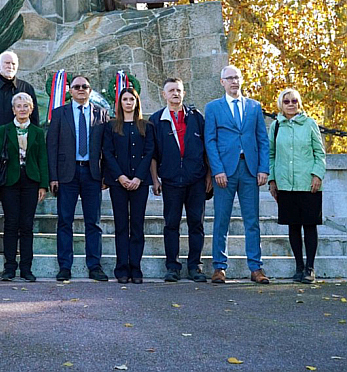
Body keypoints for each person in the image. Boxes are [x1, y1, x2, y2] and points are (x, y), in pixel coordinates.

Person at [204, 65, 270, 284]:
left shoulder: (254, 106)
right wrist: (217, 170)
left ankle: (256, 268)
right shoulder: (213, 107)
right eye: (229, 78)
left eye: (237, 77)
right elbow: (210, 141)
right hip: (225, 172)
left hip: (249, 170)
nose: (234, 81)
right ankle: (219, 267)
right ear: (222, 82)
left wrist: (263, 168)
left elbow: (262, 139)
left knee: (252, 221)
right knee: (221, 220)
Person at [0, 51, 39, 254]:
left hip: (20, 155)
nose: (10, 66)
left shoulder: (26, 88)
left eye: (13, 63)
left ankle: (16, 244)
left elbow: (35, 122)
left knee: (17, 204)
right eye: (6, 63)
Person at [46, 74, 109, 282]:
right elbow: (51, 146)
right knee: (65, 221)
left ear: (90, 90)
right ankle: (65, 266)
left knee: (94, 222)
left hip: (92, 173)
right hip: (67, 174)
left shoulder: (101, 113)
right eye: (77, 86)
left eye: (85, 86)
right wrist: (53, 176)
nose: (81, 89)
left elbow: (106, 148)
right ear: (70, 90)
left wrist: (105, 175)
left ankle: (95, 266)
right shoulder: (59, 113)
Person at [150, 77, 212, 283]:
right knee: (171, 224)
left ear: (183, 93)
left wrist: (209, 175)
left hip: (196, 180)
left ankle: (195, 266)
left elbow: (207, 149)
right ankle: (172, 267)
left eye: (178, 90)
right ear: (164, 94)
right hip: (170, 180)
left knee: (196, 224)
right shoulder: (156, 120)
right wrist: (155, 179)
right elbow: (152, 154)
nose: (175, 94)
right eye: (171, 90)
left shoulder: (196, 117)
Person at [0, 92, 49, 281]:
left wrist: (43, 185)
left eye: (25, 106)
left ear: (31, 109)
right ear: (13, 110)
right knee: (11, 224)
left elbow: (42, 159)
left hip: (31, 181)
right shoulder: (3, 130)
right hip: (10, 181)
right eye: (18, 106)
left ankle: (26, 268)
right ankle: (9, 267)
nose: (22, 109)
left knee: (27, 225)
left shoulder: (37, 132)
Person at [268, 88, 326, 283]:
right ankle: (299, 267)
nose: (291, 104)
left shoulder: (310, 124)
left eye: (294, 101)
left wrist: (317, 175)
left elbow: (320, 153)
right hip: (286, 184)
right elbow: (271, 154)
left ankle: (310, 268)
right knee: (293, 226)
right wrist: (272, 180)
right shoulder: (276, 126)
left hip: (308, 184)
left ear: (299, 103)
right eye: (287, 101)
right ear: (281, 104)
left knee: (310, 226)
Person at [102, 85, 154, 284]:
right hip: (119, 184)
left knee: (137, 226)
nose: (128, 102)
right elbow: (107, 153)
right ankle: (122, 268)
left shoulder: (146, 126)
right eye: (125, 99)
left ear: (136, 102)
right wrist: (120, 177)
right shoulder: (112, 126)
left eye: (131, 99)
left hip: (140, 183)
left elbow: (149, 153)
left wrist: (138, 177)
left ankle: (136, 268)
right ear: (120, 103)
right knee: (121, 225)